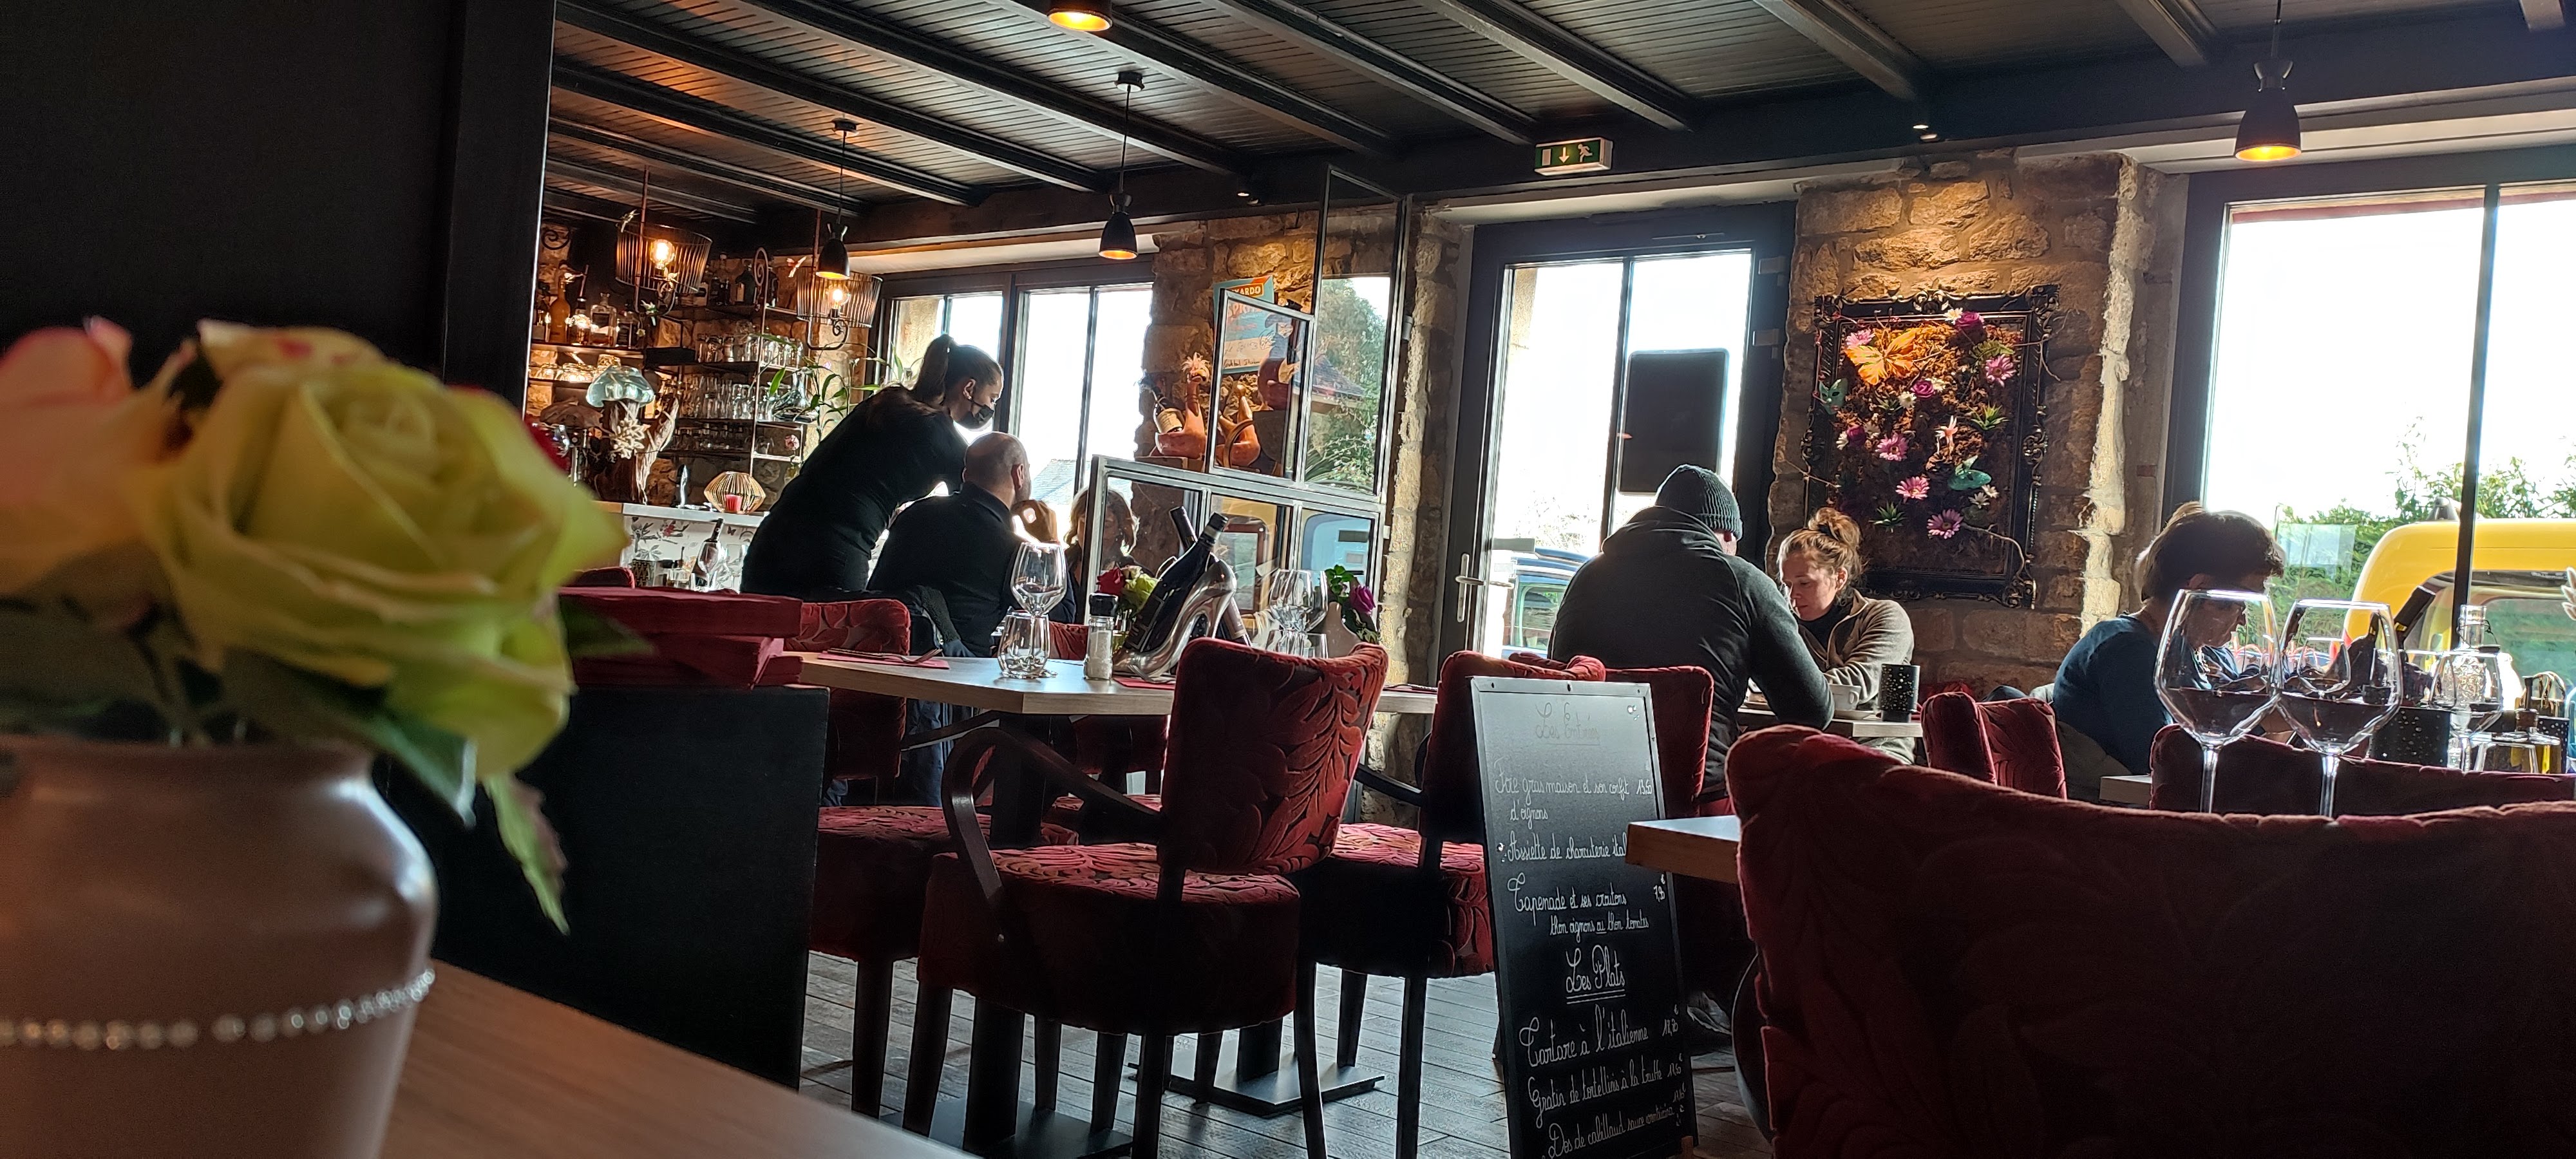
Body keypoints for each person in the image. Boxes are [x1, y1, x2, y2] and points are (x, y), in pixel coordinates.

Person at [1549, 466, 1833, 795]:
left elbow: (1559, 676)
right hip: (1695, 797)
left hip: (1582, 786)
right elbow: (1812, 710)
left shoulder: (1588, 576)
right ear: (1727, 534)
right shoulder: (1741, 580)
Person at [742, 335, 1003, 599]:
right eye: (992, 398)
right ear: (969, 388)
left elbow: (845, 469)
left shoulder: (888, 402)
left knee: (755, 624)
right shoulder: (943, 436)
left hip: (774, 536)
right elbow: (981, 510)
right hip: (833, 551)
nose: (991, 408)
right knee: (833, 627)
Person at [2052, 502, 2284, 784]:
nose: (2244, 620)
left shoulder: (2206, 653)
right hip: (2125, 808)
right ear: (2200, 589)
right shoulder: (2128, 650)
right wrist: (2259, 718)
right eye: (2241, 603)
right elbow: (2165, 763)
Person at [863, 433, 1048, 655]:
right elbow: (1058, 617)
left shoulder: (915, 514)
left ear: (965, 475)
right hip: (958, 671)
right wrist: (1048, 540)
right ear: (1019, 474)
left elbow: (876, 593)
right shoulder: (1013, 549)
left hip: (886, 659)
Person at [1774, 507, 1915, 760]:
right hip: (1807, 748)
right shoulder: (1785, 624)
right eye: (1787, 585)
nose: (1792, 595)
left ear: (1839, 578)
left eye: (1805, 583)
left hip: (1876, 748)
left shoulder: (1884, 616)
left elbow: (1859, 682)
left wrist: (1782, 687)